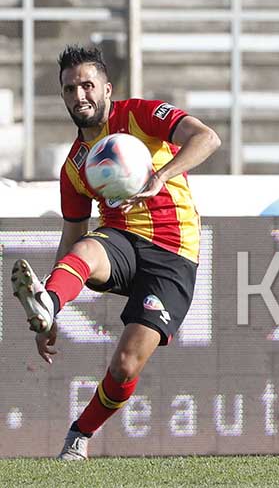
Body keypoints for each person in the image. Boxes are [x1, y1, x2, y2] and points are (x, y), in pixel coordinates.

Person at [10, 45, 221, 460]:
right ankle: (46, 302)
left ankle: (80, 434)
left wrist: (162, 175)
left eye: (87, 85)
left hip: (174, 252)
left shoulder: (140, 115)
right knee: (87, 248)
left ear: (107, 88)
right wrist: (53, 306)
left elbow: (206, 138)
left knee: (126, 365)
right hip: (120, 240)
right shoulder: (74, 166)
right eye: (70, 89)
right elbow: (72, 239)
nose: (79, 96)